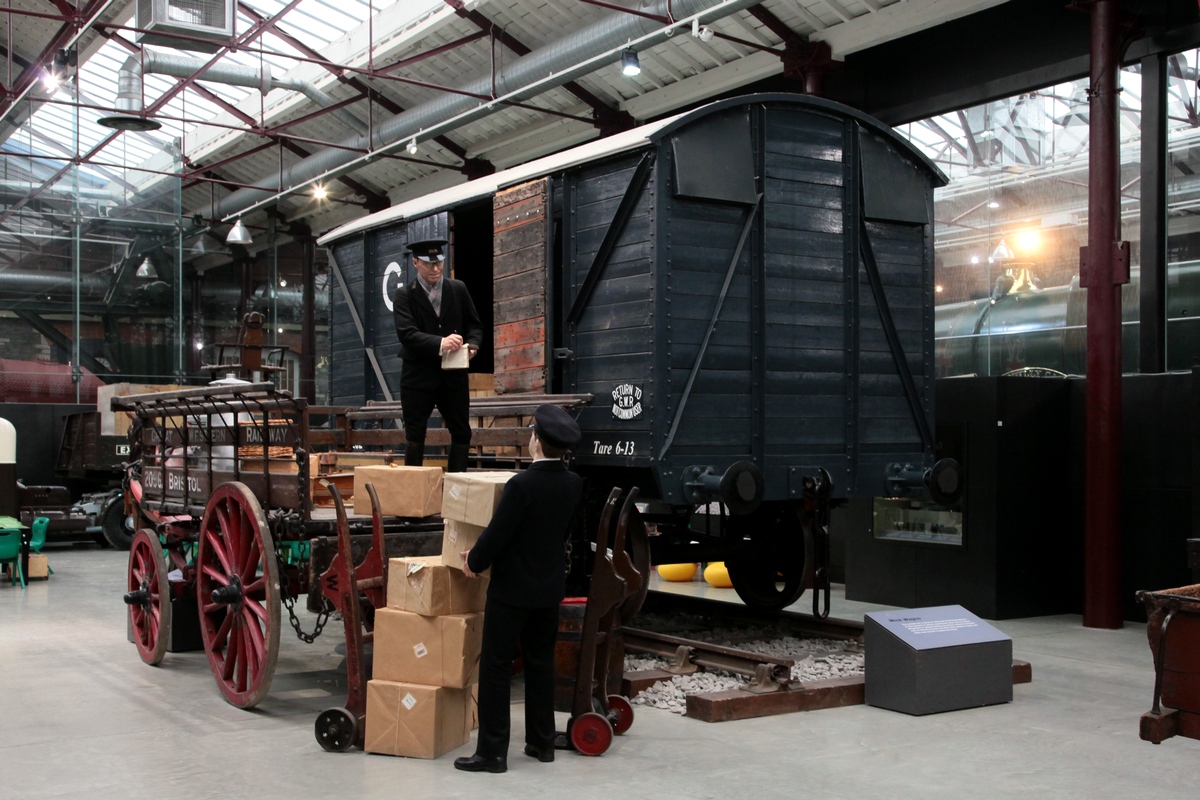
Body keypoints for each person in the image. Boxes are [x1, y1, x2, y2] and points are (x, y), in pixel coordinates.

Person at [454, 405, 583, 774]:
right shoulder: (572, 484)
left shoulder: (521, 485)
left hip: (511, 593)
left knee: (495, 667)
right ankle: (542, 742)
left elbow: (498, 534)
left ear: (536, 442)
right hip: (547, 590)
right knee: (540, 664)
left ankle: (492, 753)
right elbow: (551, 534)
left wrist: (473, 561)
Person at [392, 238, 483, 473]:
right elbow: (407, 334)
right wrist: (441, 342)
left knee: (462, 431)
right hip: (417, 376)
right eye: (428, 263)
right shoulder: (404, 295)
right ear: (415, 263)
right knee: (415, 433)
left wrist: (473, 345)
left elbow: (474, 325)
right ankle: (413, 495)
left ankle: (457, 490)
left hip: (453, 375)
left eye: (439, 263)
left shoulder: (457, 288)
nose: (435, 269)